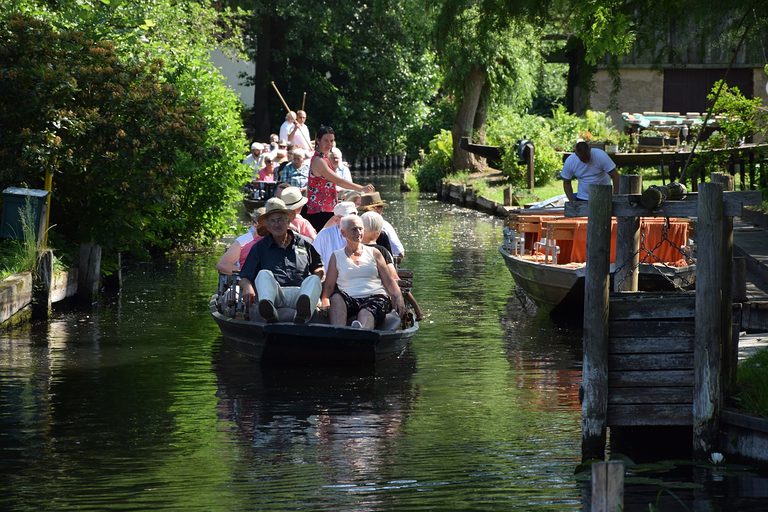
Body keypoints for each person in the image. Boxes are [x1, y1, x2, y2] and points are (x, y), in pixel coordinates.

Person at [239, 198, 324, 324]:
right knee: (263, 274)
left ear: (288, 221)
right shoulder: (259, 248)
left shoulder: (305, 243)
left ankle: (302, 313)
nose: (276, 224)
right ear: (267, 225)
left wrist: (318, 275)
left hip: (301, 293)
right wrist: (247, 287)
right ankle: (269, 311)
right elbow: (244, 276)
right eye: (272, 221)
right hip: (276, 294)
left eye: (280, 219)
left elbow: (318, 267)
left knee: (314, 279)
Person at [321, 214, 406, 329]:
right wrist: (325, 301)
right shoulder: (336, 256)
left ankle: (361, 333)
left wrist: (399, 297)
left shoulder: (375, 253)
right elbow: (329, 286)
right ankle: (339, 333)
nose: (359, 232)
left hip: (374, 296)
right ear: (343, 233)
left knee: (366, 312)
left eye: (360, 229)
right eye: (354, 229)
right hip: (348, 297)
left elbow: (389, 281)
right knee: (336, 298)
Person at [306, 125, 374, 231]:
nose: (329, 144)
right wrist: (361, 188)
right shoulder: (318, 161)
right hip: (319, 211)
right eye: (326, 140)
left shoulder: (325, 157)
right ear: (318, 141)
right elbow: (338, 180)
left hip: (328, 208)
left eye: (331, 141)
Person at [361, 211, 422, 320]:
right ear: (378, 232)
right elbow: (394, 278)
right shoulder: (381, 249)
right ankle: (416, 312)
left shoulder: (351, 247)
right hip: (379, 290)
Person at [216, 207, 265, 275]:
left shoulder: (275, 239)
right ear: (255, 224)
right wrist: (245, 273)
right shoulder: (244, 240)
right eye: (264, 223)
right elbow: (223, 265)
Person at [358, 192, 404, 261]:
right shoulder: (385, 226)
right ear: (378, 209)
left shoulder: (355, 224)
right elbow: (400, 253)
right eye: (381, 207)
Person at [312, 201, 357, 268]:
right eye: (347, 218)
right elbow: (315, 257)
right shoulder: (325, 234)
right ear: (336, 220)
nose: (352, 220)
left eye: (354, 216)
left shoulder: (361, 232)